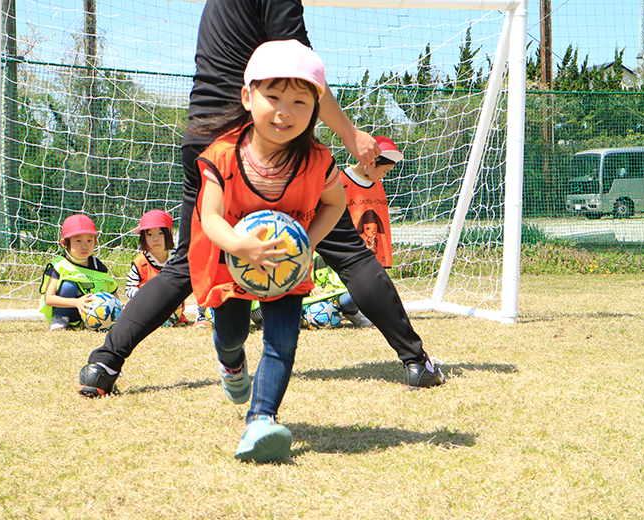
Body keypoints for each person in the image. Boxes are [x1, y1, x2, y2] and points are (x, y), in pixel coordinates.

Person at [78, 0, 444, 397]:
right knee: (350, 253)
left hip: (204, 138)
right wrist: (350, 135)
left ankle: (104, 362)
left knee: (185, 263)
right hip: (261, 141)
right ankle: (416, 361)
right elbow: (301, 77)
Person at [191, 40, 345, 462]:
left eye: (300, 100)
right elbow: (210, 216)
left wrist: (308, 243)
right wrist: (240, 246)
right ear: (247, 96)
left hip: (285, 270)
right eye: (273, 96)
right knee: (232, 335)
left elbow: (336, 202)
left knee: (282, 340)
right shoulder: (222, 156)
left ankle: (261, 420)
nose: (285, 110)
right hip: (230, 264)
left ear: (315, 108)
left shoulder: (318, 160)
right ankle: (232, 365)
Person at [39, 215, 118, 332]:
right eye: (78, 240)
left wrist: (117, 307)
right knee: (69, 284)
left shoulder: (97, 265)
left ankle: (96, 321)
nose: (85, 246)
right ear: (64, 243)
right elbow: (49, 299)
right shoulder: (59, 265)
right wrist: (77, 302)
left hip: (90, 314)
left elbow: (111, 290)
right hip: (70, 312)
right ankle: (60, 318)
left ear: (95, 241)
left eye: (89, 240)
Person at [342, 136, 402, 269]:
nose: (384, 175)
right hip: (349, 258)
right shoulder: (341, 182)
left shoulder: (378, 186)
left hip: (372, 258)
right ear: (371, 163)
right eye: (385, 171)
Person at [125, 209, 187, 326]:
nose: (155, 238)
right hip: (145, 308)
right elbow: (129, 289)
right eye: (149, 234)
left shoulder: (178, 259)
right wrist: (145, 295)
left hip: (172, 309)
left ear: (171, 234)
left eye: (160, 233)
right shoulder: (140, 262)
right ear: (142, 237)